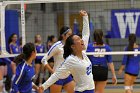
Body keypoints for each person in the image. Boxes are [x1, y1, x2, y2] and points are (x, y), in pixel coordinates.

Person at [39, 10, 95, 93]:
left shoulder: (83, 52)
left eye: (80, 38)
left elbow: (86, 34)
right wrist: (43, 86)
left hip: (89, 89)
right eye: (78, 39)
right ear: (73, 46)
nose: (82, 40)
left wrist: (85, 17)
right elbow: (57, 74)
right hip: (82, 90)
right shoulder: (70, 59)